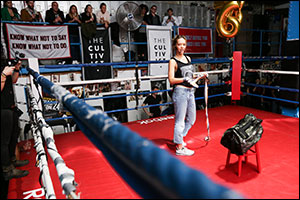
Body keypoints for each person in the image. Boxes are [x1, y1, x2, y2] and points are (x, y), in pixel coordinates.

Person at [168, 35, 207, 156]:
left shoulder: (188, 58)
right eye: (179, 44)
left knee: (192, 119)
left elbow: (190, 75)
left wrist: (200, 76)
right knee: (180, 121)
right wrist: (184, 79)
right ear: (175, 46)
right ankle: (179, 147)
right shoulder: (173, 61)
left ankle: (179, 138)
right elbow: (171, 80)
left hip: (191, 92)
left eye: (183, 44)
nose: (181, 47)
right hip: (180, 92)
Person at [1, 52, 29, 182]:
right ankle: (7, 170)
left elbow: (13, 80)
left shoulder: (3, 64)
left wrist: (16, 68)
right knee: (4, 141)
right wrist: (2, 74)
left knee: (14, 135)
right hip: (2, 109)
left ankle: (13, 161)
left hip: (10, 106)